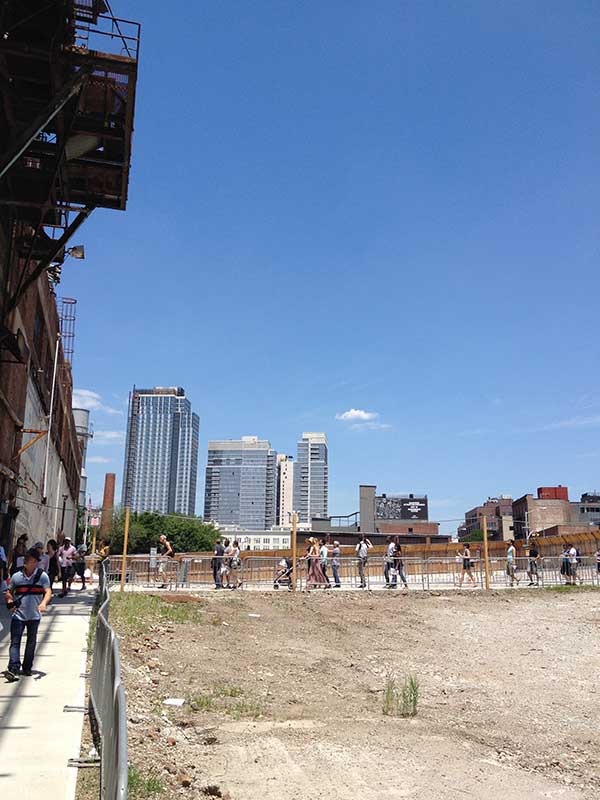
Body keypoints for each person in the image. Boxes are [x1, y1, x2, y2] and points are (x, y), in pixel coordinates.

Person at [4, 547, 52, 681]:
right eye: (27, 560)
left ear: (36, 562)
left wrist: (43, 603)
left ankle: (26, 668)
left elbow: (48, 592)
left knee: (31, 643)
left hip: (34, 616)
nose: (29, 562)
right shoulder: (16, 577)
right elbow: (8, 591)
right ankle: (13, 668)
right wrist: (9, 601)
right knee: (15, 642)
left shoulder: (42, 576)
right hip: (18, 615)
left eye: (32, 560)